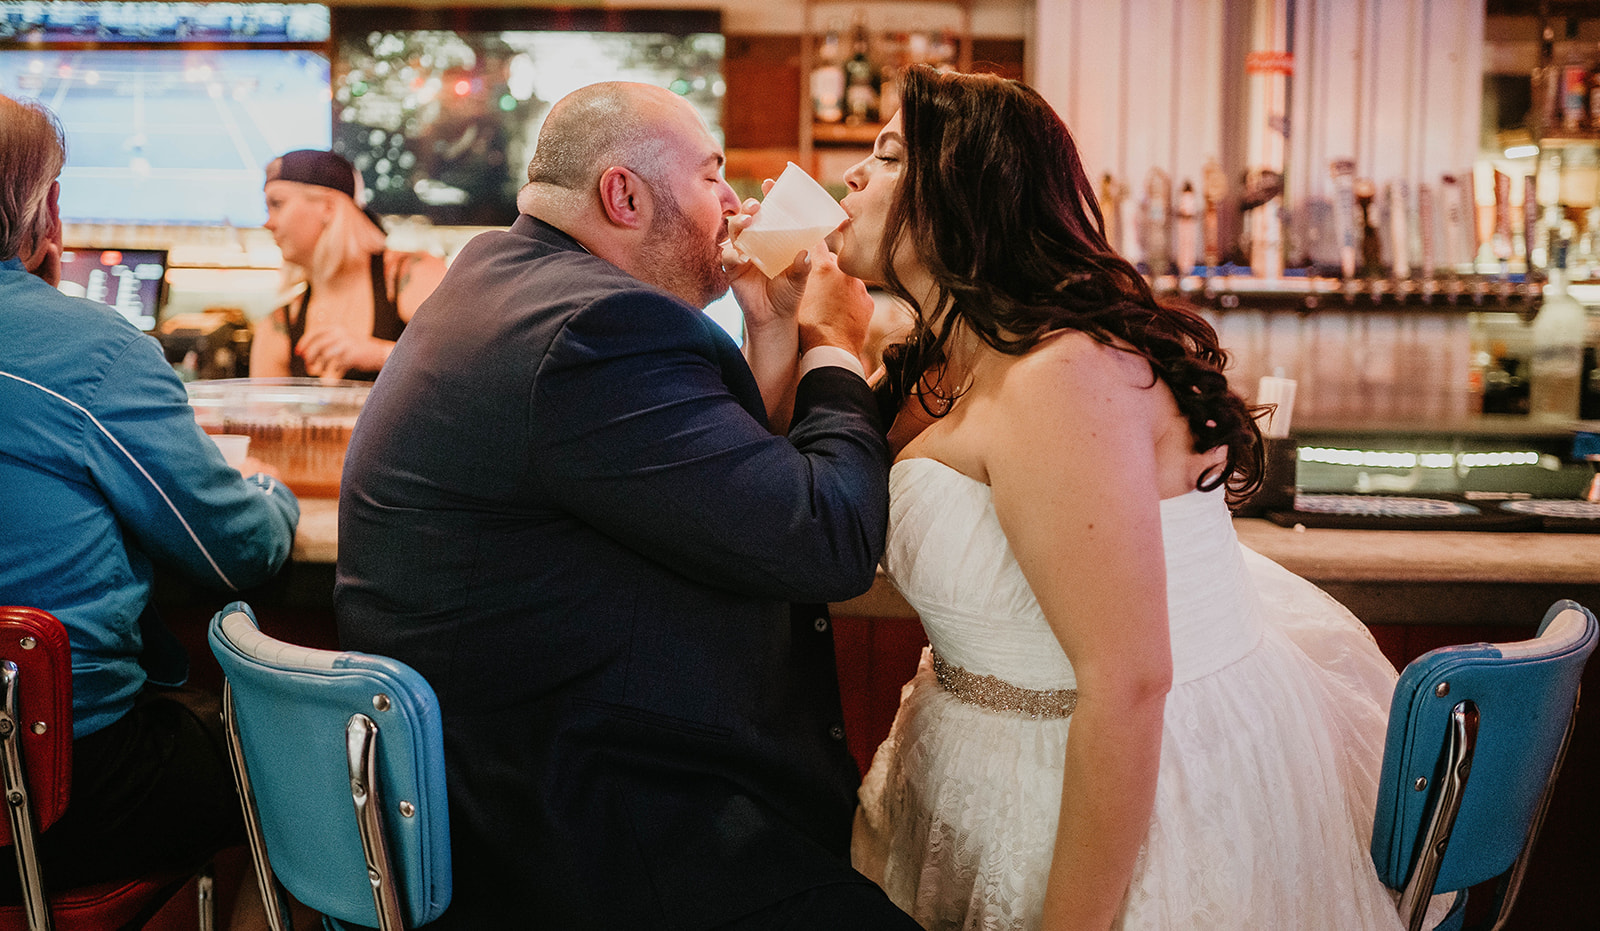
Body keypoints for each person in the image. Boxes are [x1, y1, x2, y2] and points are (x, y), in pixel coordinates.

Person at [843, 67, 1447, 931]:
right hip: (978, 768)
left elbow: (1127, 680)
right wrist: (787, 323)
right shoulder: (936, 362)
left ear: (963, 195)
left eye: (889, 155)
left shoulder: (1060, 375)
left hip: (1111, 790)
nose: (854, 175)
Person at [335, 81, 921, 930]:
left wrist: (771, 327)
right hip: (583, 830)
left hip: (491, 784)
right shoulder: (599, 329)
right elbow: (826, 538)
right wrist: (833, 343)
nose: (735, 204)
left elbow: (716, 481)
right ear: (624, 195)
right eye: (712, 177)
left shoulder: (504, 278)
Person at [0, 95, 300, 920]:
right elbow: (236, 551)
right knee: (302, 765)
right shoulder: (93, 350)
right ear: (48, 212)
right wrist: (270, 491)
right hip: (57, 795)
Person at [249, 149, 446, 381]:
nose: (267, 223)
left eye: (277, 204)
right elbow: (263, 405)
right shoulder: (278, 325)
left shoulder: (410, 274)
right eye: (267, 209)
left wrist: (378, 354)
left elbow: (468, 363)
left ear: (328, 207)